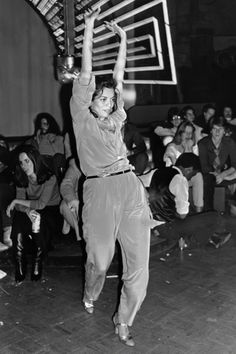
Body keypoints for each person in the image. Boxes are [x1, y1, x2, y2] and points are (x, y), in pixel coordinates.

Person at [69, 8, 151, 347]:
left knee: (138, 266)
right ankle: (91, 291)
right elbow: (88, 71)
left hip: (129, 188)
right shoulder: (81, 117)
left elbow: (119, 77)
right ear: (90, 102)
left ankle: (123, 320)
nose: (107, 101)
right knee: (100, 261)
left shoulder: (117, 118)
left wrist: (124, 39)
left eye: (109, 99)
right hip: (100, 192)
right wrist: (87, 28)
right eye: (100, 99)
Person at [6, 145, 61, 283]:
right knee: (19, 218)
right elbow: (20, 205)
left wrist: (17, 201)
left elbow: (42, 204)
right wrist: (27, 210)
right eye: (21, 162)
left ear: (35, 160)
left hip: (50, 208)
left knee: (40, 218)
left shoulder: (50, 177)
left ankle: (38, 260)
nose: (24, 166)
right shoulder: (21, 177)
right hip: (31, 206)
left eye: (27, 161)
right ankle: (20, 261)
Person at [163, 121, 204, 213]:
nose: (189, 135)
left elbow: (196, 166)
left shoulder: (193, 146)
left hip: (188, 177)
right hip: (174, 179)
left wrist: (190, 149)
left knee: (198, 176)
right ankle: (182, 211)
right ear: (180, 133)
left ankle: (199, 210)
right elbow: (174, 169)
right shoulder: (172, 147)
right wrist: (186, 150)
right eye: (186, 132)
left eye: (191, 133)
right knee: (181, 178)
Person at [149, 153, 201, 222]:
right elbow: (182, 214)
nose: (190, 178)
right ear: (189, 170)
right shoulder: (181, 179)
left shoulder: (156, 171)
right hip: (168, 225)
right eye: (193, 175)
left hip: (150, 220)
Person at [198, 116, 236, 211]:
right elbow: (204, 167)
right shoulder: (203, 143)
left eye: (220, 129)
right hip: (209, 174)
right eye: (215, 129)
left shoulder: (229, 142)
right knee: (208, 179)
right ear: (211, 130)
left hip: (223, 173)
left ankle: (234, 205)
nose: (217, 132)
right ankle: (209, 211)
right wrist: (217, 175)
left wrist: (223, 175)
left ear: (224, 131)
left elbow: (235, 164)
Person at [60, 158, 82, 240]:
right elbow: (66, 185)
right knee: (65, 205)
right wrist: (72, 200)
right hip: (79, 202)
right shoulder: (75, 165)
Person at [0, 136, 15, 251]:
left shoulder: (11, 161)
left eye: (2, 144)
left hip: (7, 188)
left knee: (4, 194)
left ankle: (7, 233)